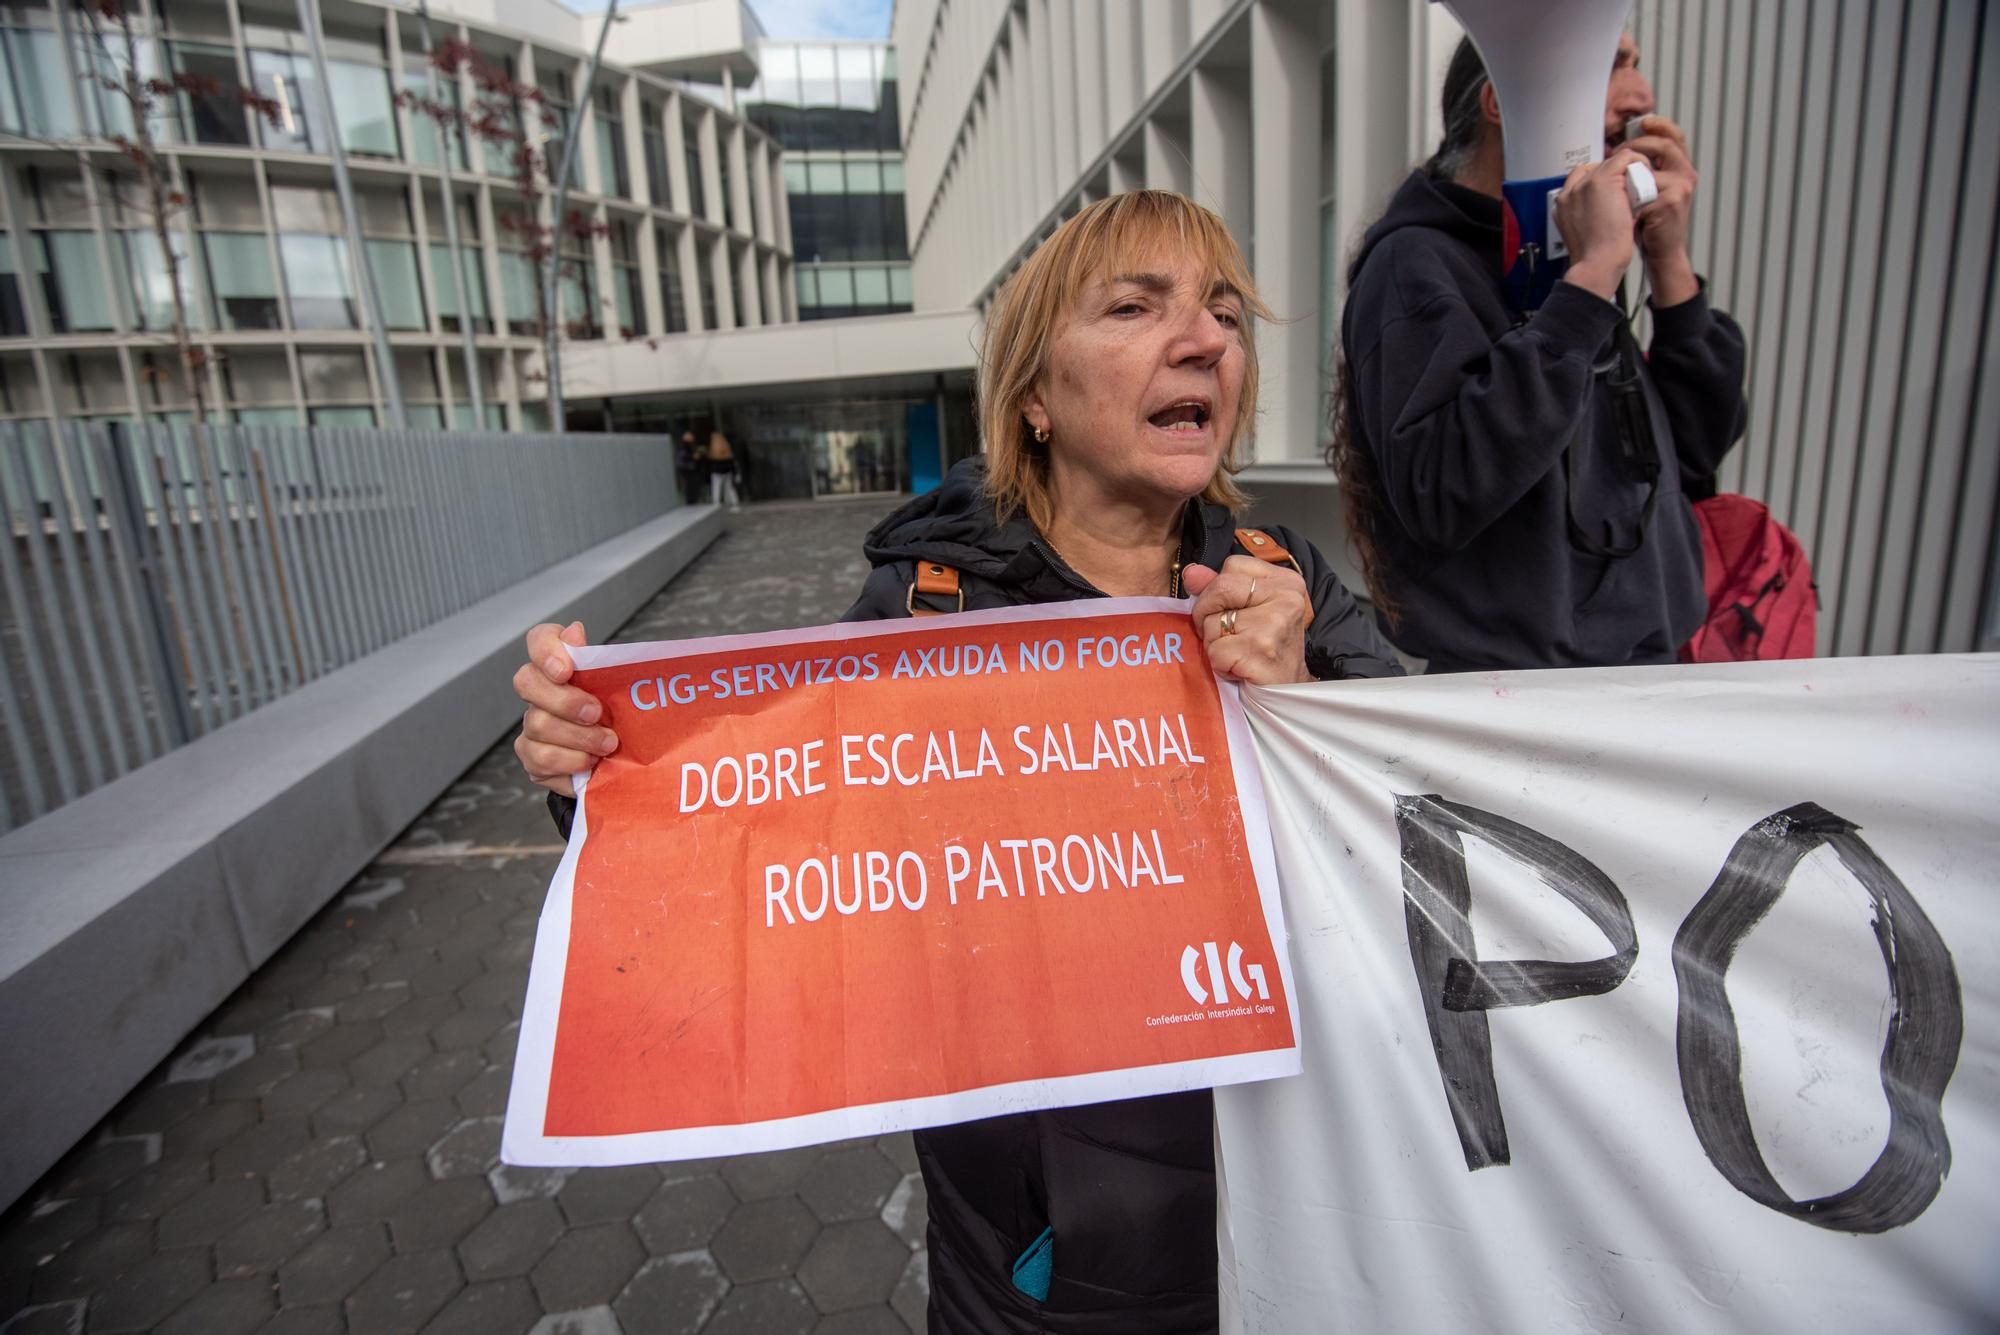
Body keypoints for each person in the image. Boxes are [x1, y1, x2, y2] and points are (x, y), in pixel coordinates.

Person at [509, 190, 1403, 1333]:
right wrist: (592, 770)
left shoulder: (1288, 577)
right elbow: (760, 852)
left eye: (1222, 314)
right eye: (1136, 306)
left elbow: (1425, 844)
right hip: (1046, 1256)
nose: (1203, 339)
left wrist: (1302, 702)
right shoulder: (924, 609)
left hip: (1303, 1195)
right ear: (1033, 398)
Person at [1331, 33, 1748, 672]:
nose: (1642, 97)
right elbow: (1441, 490)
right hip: (1522, 701)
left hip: (1652, 672)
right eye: (1610, 64)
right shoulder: (1414, 264)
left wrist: (1667, 260)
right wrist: (1590, 282)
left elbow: (1694, 451)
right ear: (1502, 102)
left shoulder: (1571, 262)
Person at [706, 428, 740, 507]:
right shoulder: (726, 445)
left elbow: (710, 462)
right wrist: (735, 472)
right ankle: (734, 501)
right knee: (729, 487)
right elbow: (731, 461)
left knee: (716, 488)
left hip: (717, 472)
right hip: (727, 471)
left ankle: (716, 503)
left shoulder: (713, 448)